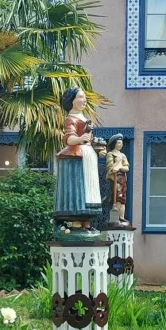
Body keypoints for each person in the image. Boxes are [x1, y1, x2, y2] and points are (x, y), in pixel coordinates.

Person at [54, 87, 105, 237]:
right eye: (80, 97)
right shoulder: (71, 119)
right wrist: (79, 139)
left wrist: (98, 148)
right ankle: (76, 221)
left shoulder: (85, 119)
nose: (84, 100)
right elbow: (68, 138)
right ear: (72, 101)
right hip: (78, 156)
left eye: (84, 97)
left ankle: (87, 221)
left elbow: (90, 139)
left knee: (90, 188)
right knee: (79, 187)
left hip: (88, 155)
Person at [105, 133, 131, 226]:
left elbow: (126, 168)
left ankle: (121, 217)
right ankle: (114, 218)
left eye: (122, 143)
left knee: (123, 198)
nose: (121, 145)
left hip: (122, 178)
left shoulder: (123, 155)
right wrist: (116, 167)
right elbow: (110, 167)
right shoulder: (110, 154)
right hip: (114, 179)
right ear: (114, 144)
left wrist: (120, 167)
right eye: (119, 143)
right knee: (116, 198)